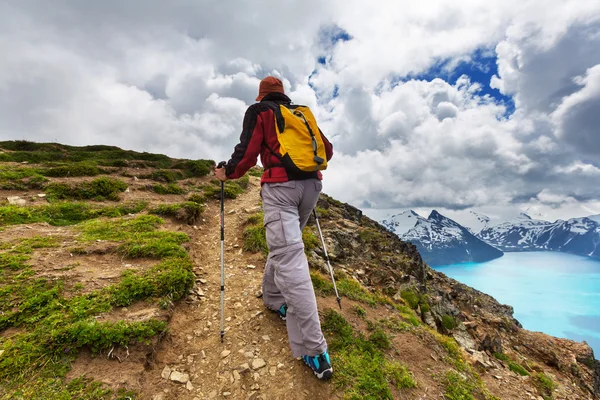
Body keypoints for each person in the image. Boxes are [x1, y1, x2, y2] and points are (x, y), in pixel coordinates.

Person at [214, 76, 334, 380]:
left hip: (280, 189)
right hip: (311, 188)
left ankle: (314, 349)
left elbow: (247, 153)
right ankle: (273, 298)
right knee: (285, 249)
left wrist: (227, 173)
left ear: (261, 96)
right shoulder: (300, 114)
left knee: (290, 258)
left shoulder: (260, 112)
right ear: (283, 95)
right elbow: (327, 151)